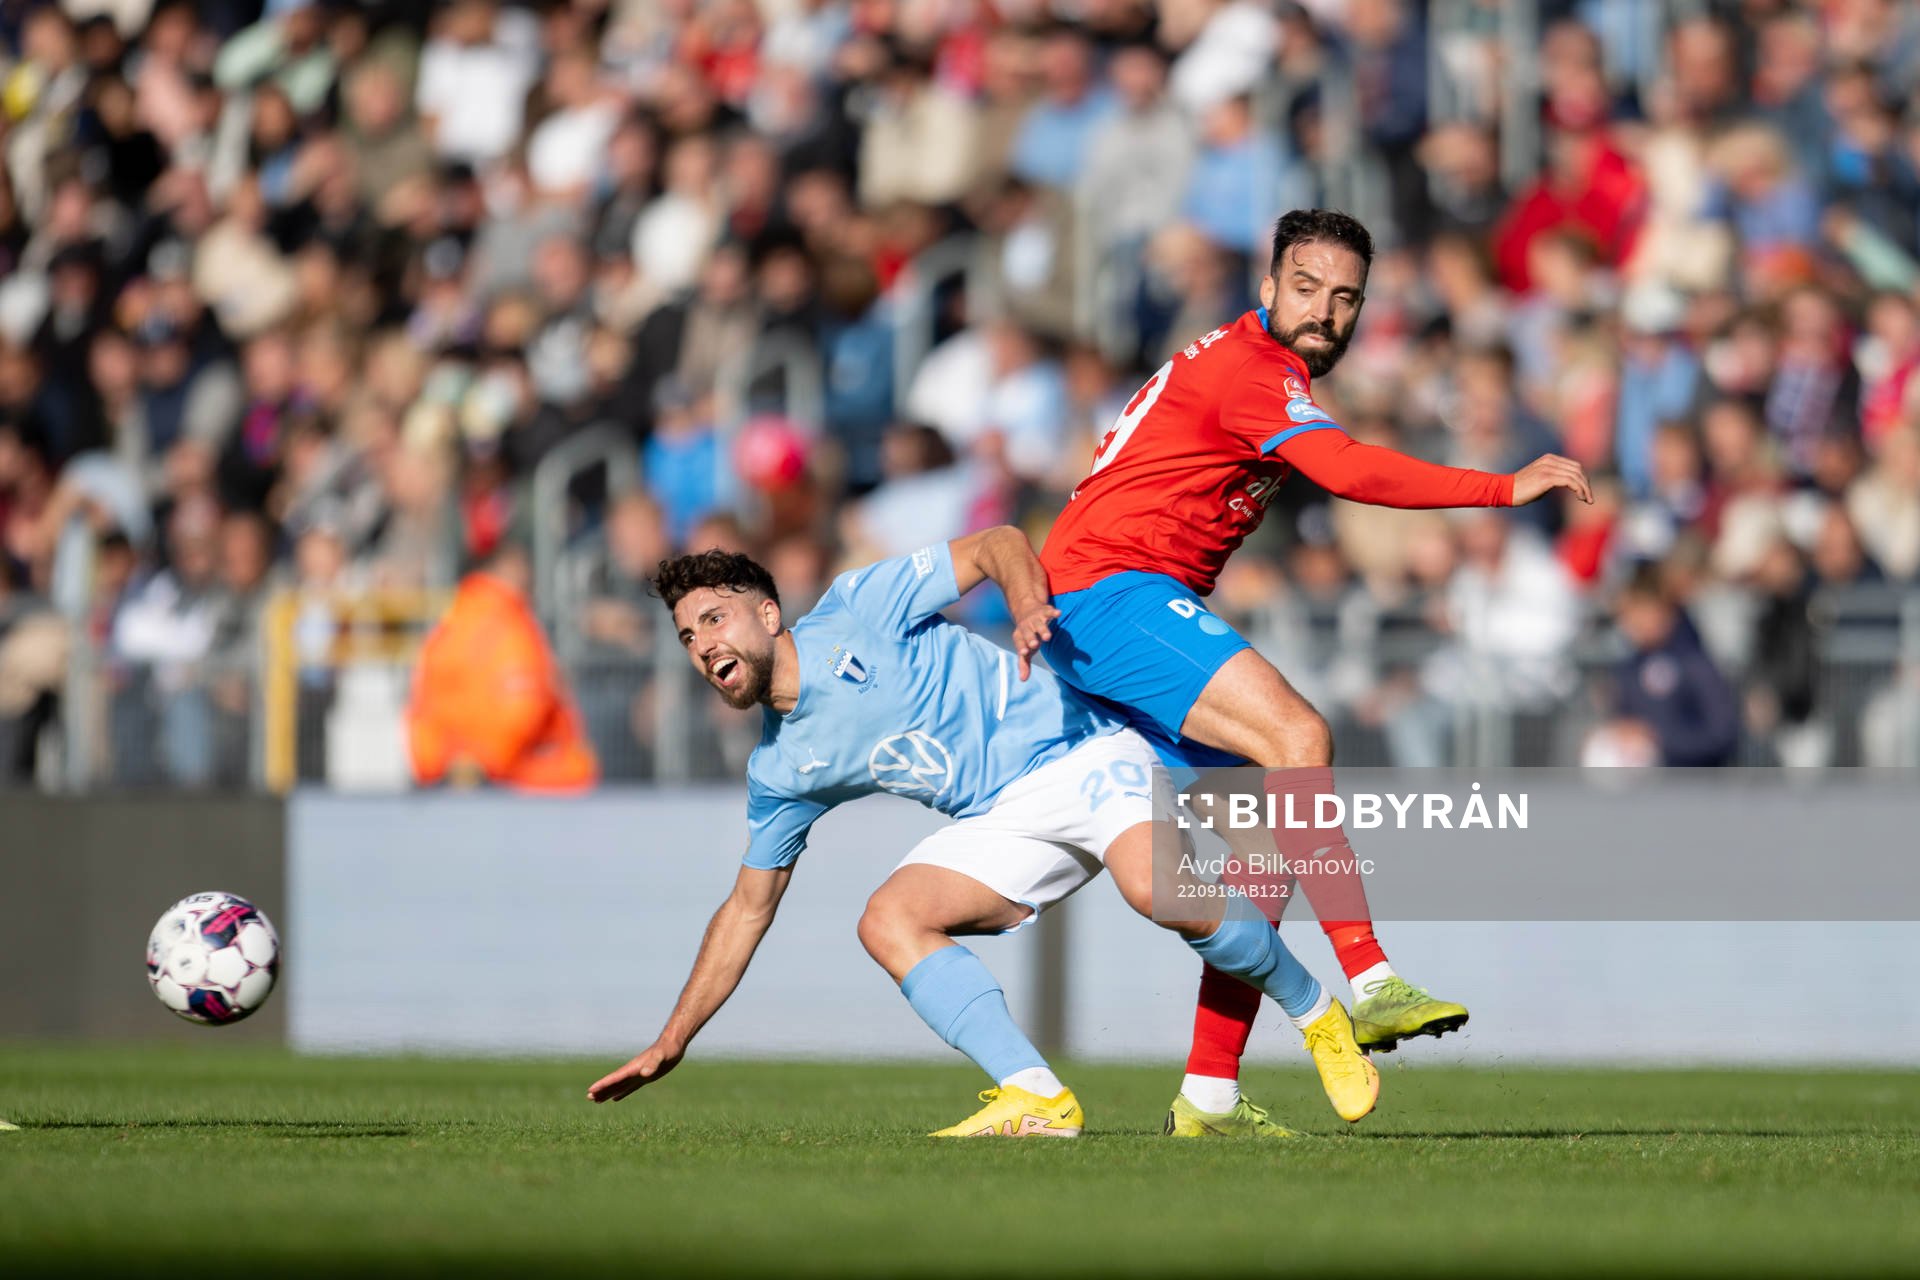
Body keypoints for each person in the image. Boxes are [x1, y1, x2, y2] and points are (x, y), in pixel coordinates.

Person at [1037, 208, 1594, 1134]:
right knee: (1302, 735)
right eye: (1305, 287)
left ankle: (1209, 1094)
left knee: (1270, 839)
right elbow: (1347, 469)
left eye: (1345, 298)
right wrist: (1503, 485)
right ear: (1266, 288)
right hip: (1108, 593)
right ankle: (1369, 977)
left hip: (1100, 600)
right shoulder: (1255, 370)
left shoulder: (1250, 365)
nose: (1324, 311)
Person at [587, 532, 1382, 1137]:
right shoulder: (781, 767)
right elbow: (745, 911)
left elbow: (1001, 543)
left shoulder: (856, 606)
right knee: (888, 918)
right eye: (689, 637)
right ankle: (1035, 1095)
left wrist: (1030, 605)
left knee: (1159, 890)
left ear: (767, 613)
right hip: (1005, 818)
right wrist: (671, 1040)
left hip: (1084, 748)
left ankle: (1316, 1013)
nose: (703, 645)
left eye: (715, 619)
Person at [406, 542, 598, 793]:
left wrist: (444, 764)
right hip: (520, 780)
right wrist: (484, 764)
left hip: (450, 777)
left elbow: (421, 708)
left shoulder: (449, 623)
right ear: (505, 567)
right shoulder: (511, 624)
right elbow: (522, 706)